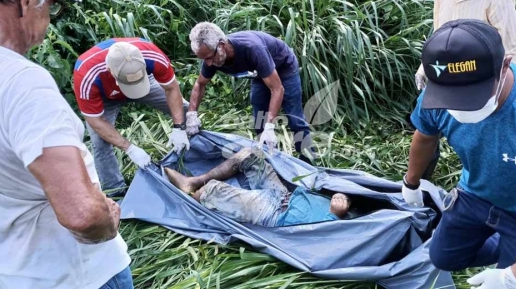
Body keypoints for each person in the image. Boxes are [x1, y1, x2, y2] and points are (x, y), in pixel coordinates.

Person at [402, 19, 516, 289]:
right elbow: (425, 135)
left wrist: (515, 276)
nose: (459, 108)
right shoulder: (435, 96)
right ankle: (506, 246)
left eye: (470, 94)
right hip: (475, 192)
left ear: (505, 65)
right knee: (443, 256)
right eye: (450, 96)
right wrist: (411, 183)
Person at [0, 0, 132, 289]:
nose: (49, 17)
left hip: (14, 274)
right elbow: (82, 214)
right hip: (79, 275)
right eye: (50, 5)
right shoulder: (21, 81)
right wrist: (107, 219)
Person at [74, 38, 190, 196]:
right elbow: (96, 121)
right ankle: (116, 192)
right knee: (100, 143)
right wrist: (129, 148)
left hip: (143, 82)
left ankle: (193, 154)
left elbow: (171, 88)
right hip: (105, 96)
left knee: (185, 110)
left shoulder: (151, 54)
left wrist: (179, 127)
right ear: (110, 71)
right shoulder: (87, 74)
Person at [186, 22, 314, 163]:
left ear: (221, 45)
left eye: (209, 58)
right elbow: (200, 83)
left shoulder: (253, 49)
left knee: (294, 118)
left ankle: (308, 161)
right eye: (204, 59)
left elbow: (277, 89)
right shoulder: (211, 54)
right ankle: (271, 160)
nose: (208, 64)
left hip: (284, 67)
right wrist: (192, 114)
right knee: (260, 119)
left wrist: (270, 126)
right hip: (260, 74)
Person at [165, 147, 351, 226]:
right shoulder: (361, 213)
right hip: (285, 196)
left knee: (211, 190)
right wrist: (344, 198)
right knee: (249, 155)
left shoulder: (344, 231)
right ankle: (195, 181)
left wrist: (333, 215)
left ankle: (192, 194)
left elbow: (323, 240)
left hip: (274, 213)